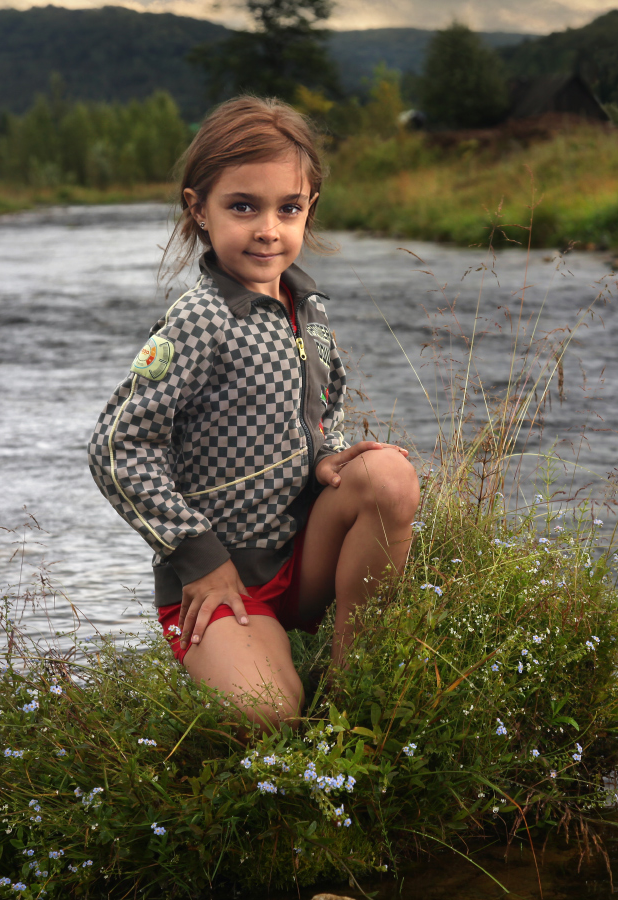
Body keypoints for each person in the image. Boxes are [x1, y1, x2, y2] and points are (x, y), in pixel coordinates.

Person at [87, 97, 418, 728]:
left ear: (309, 209)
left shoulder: (309, 306)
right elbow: (116, 448)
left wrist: (327, 457)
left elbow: (327, 404)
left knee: (389, 475)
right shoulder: (201, 318)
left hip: (306, 557)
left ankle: (351, 690)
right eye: (243, 206)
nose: (268, 228)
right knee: (266, 716)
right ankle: (260, 667)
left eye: (287, 208)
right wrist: (197, 556)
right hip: (223, 579)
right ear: (199, 210)